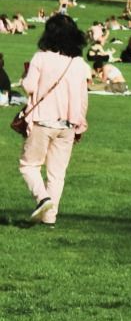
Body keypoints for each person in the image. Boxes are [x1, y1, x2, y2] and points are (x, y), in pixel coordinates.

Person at [18, 15, 90, 225]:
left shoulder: (41, 57)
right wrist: (80, 124)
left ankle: (43, 198)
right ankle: (50, 218)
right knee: (56, 174)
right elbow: (83, 97)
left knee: (28, 165)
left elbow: (30, 87)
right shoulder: (78, 63)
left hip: (43, 120)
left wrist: (24, 78)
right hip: (68, 123)